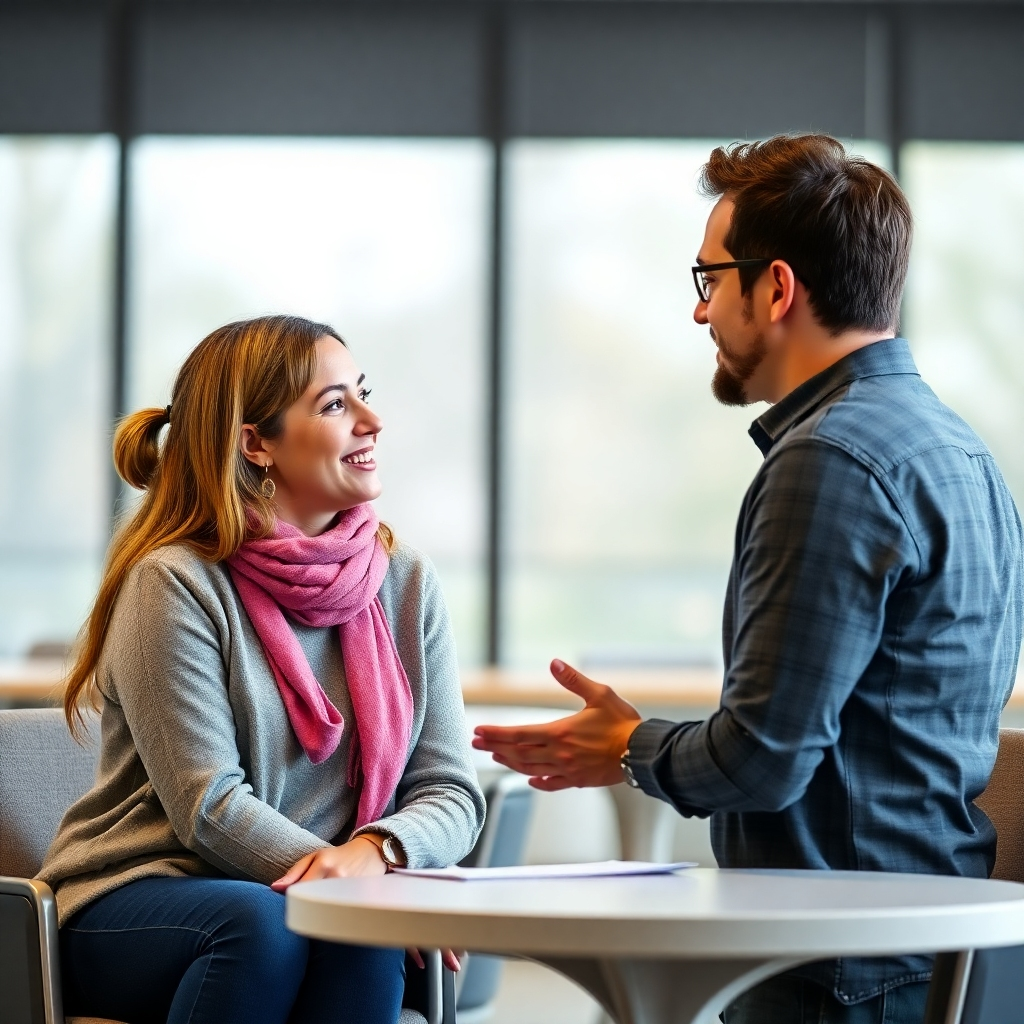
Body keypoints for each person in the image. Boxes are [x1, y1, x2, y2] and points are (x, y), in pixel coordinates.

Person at [473, 135, 1023, 1024]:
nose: (699, 313)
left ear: (774, 287)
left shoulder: (831, 463)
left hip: (836, 970)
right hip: (934, 952)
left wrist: (626, 746)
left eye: (709, 280)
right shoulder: (959, 449)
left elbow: (764, 760)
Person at [40, 315, 485, 1024]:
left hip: (299, 898)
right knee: (273, 924)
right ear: (256, 443)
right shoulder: (175, 582)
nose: (372, 420)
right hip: (138, 895)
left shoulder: (405, 582)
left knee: (352, 933)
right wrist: (350, 883)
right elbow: (208, 805)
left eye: (362, 394)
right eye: (337, 404)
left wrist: (378, 853)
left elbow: (451, 792)